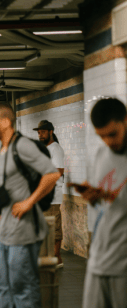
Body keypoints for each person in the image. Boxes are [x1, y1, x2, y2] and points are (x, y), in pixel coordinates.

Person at [0, 103, 60, 308]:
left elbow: (52, 174)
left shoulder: (22, 145)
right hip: (6, 229)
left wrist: (28, 202)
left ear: (6, 122)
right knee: (2, 284)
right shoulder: (3, 149)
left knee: (22, 286)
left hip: (23, 229)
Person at [69, 98, 127, 308]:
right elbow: (106, 205)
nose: (109, 142)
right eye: (102, 136)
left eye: (113, 134)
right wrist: (94, 197)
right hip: (99, 257)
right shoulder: (102, 154)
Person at [34, 120, 65, 266]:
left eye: (43, 132)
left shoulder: (55, 149)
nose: (40, 135)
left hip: (52, 196)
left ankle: (57, 258)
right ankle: (48, 256)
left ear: (51, 132)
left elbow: (59, 171)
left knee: (54, 228)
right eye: (39, 132)